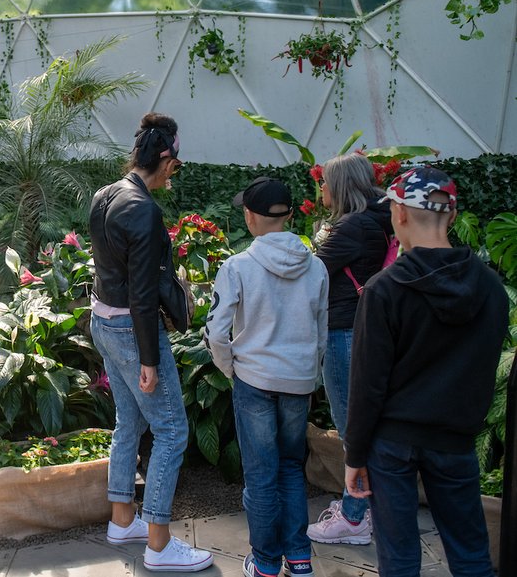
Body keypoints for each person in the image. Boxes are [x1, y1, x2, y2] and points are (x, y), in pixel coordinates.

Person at [344, 167, 508, 577]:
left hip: (392, 444)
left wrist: (355, 455)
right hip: (454, 439)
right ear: (452, 216)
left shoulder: (384, 290)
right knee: (471, 555)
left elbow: (367, 384)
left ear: (398, 213)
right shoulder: (490, 288)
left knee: (399, 561)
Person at [88, 113, 213, 573]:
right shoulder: (142, 209)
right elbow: (142, 294)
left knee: (129, 422)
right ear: (164, 158)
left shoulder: (106, 194)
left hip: (103, 321)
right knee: (172, 431)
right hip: (130, 329)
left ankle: (124, 520)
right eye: (174, 167)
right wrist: (149, 358)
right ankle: (159, 545)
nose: (173, 176)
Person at [204, 177, 328, 577]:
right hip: (298, 382)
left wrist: (232, 368)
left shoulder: (237, 266)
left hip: (254, 381)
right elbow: (321, 332)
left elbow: (215, 331)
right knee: (292, 468)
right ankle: (300, 557)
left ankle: (266, 563)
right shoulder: (318, 267)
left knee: (260, 474)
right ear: (291, 215)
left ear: (250, 217)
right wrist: (308, 373)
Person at [306, 152, 392, 545]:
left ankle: (355, 518)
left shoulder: (352, 228)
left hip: (343, 333)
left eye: (325, 181)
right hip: (362, 331)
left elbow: (310, 274)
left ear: (340, 186)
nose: (321, 187)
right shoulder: (376, 221)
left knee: (351, 431)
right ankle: (368, 511)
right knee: (362, 428)